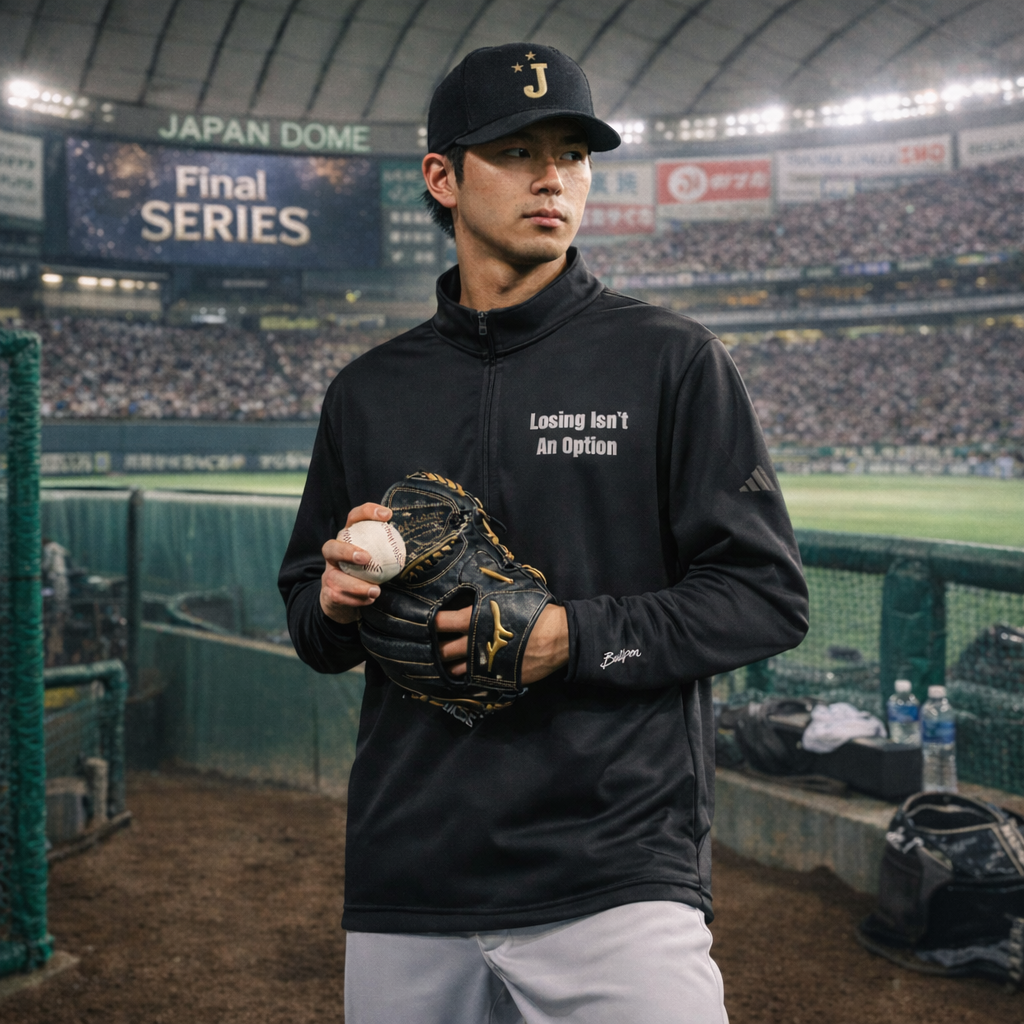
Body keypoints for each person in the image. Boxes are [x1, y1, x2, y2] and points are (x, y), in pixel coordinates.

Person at [279, 42, 808, 1024]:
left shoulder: (671, 361)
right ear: (442, 175)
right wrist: (336, 595)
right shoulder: (368, 391)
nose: (552, 176)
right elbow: (308, 621)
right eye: (517, 151)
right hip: (411, 869)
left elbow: (765, 596)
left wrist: (573, 636)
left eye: (572, 152)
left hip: (614, 867)